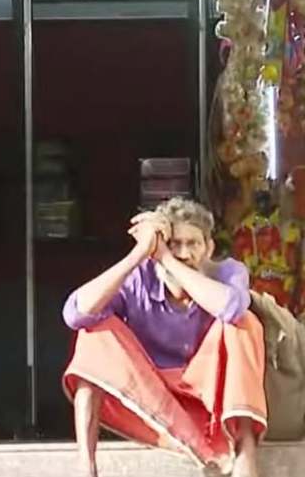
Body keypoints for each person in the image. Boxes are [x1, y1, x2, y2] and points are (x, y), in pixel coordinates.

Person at [61, 197, 266, 477]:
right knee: (93, 334)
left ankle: (245, 454)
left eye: (193, 243)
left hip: (209, 401)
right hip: (153, 399)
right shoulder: (140, 276)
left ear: (209, 247)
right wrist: (139, 253)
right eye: (174, 244)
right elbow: (75, 314)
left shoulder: (227, 271)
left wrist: (167, 259)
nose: (183, 253)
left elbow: (231, 309)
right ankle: (87, 469)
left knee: (245, 324)